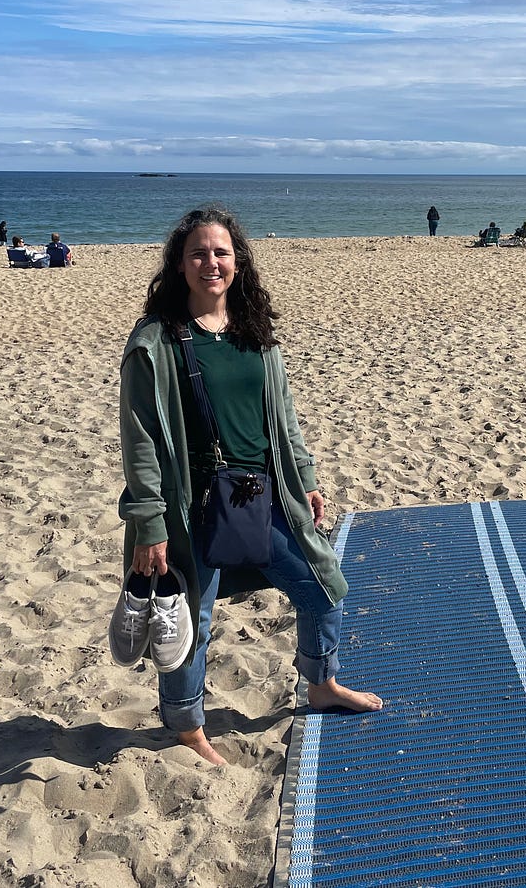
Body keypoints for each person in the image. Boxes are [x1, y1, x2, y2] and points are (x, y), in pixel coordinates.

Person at [115, 206, 382, 764]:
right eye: (198, 253)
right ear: (179, 264)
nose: (210, 262)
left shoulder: (256, 333)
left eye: (220, 252)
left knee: (324, 586)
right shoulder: (155, 343)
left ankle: (321, 683)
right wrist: (148, 521)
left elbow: (283, 416)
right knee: (192, 615)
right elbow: (139, 438)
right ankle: (188, 726)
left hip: (264, 494)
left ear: (237, 262)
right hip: (192, 504)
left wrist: (303, 477)